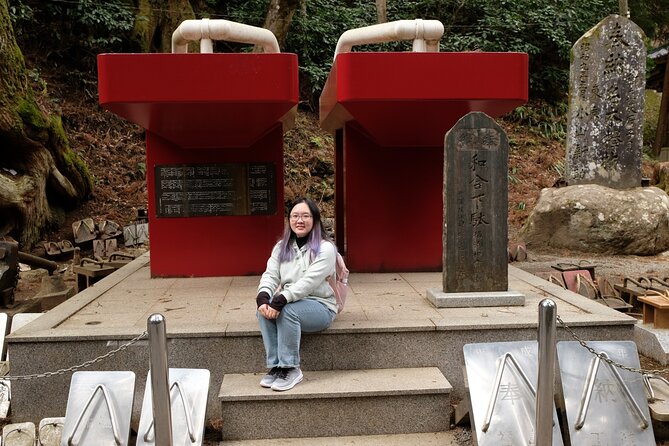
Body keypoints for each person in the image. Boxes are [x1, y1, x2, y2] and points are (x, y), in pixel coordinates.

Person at [255, 197, 337, 391]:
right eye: (295, 216)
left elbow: (308, 283)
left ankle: (291, 368)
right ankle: (276, 366)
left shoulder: (325, 248)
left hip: (320, 306)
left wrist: (282, 298)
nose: (299, 220)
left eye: (305, 216)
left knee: (287, 310)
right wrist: (263, 297)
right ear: (289, 220)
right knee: (263, 310)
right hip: (290, 302)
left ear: (315, 220)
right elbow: (270, 275)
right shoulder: (281, 247)